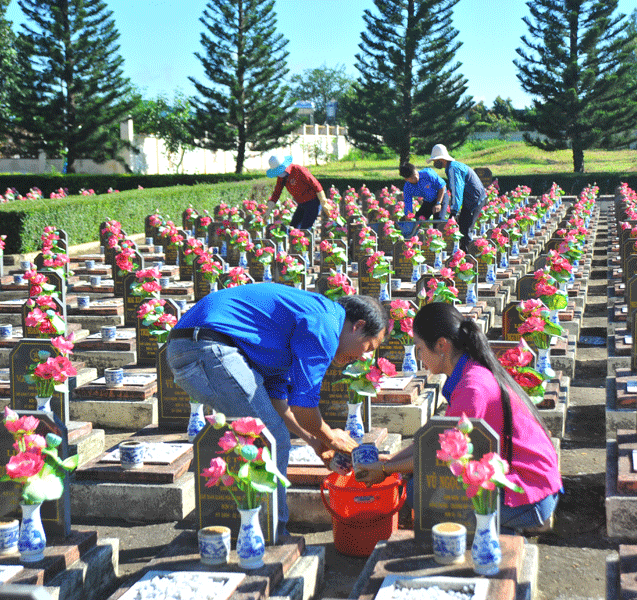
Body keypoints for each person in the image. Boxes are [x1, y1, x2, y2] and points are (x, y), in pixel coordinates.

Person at [166, 283, 387, 529]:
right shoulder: (326, 322)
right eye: (369, 347)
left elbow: (278, 404)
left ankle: (243, 526)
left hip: (191, 347)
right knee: (270, 440)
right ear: (358, 326)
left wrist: (314, 442)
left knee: (263, 438)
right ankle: (272, 534)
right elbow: (304, 407)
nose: (365, 357)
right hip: (208, 346)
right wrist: (331, 436)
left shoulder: (294, 331)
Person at [354, 302, 562, 535]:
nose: (419, 356)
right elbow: (439, 440)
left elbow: (440, 456)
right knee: (419, 481)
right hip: (524, 482)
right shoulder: (469, 371)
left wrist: (385, 468)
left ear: (442, 345)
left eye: (420, 348)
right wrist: (392, 459)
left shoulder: (473, 386)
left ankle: (504, 529)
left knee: (419, 491)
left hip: (528, 493)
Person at [426, 144, 486, 251]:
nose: (434, 163)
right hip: (472, 199)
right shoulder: (452, 167)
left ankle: (468, 257)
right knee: (463, 226)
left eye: (435, 160)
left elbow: (457, 190)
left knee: (465, 229)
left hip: (474, 199)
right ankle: (463, 254)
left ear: (442, 159)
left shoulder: (453, 169)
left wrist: (453, 212)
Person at [265, 155, 331, 229]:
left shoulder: (298, 170)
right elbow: (277, 192)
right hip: (301, 203)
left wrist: (324, 202)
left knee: (305, 229)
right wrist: (269, 209)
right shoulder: (281, 177)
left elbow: (315, 184)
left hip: (313, 202)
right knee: (293, 228)